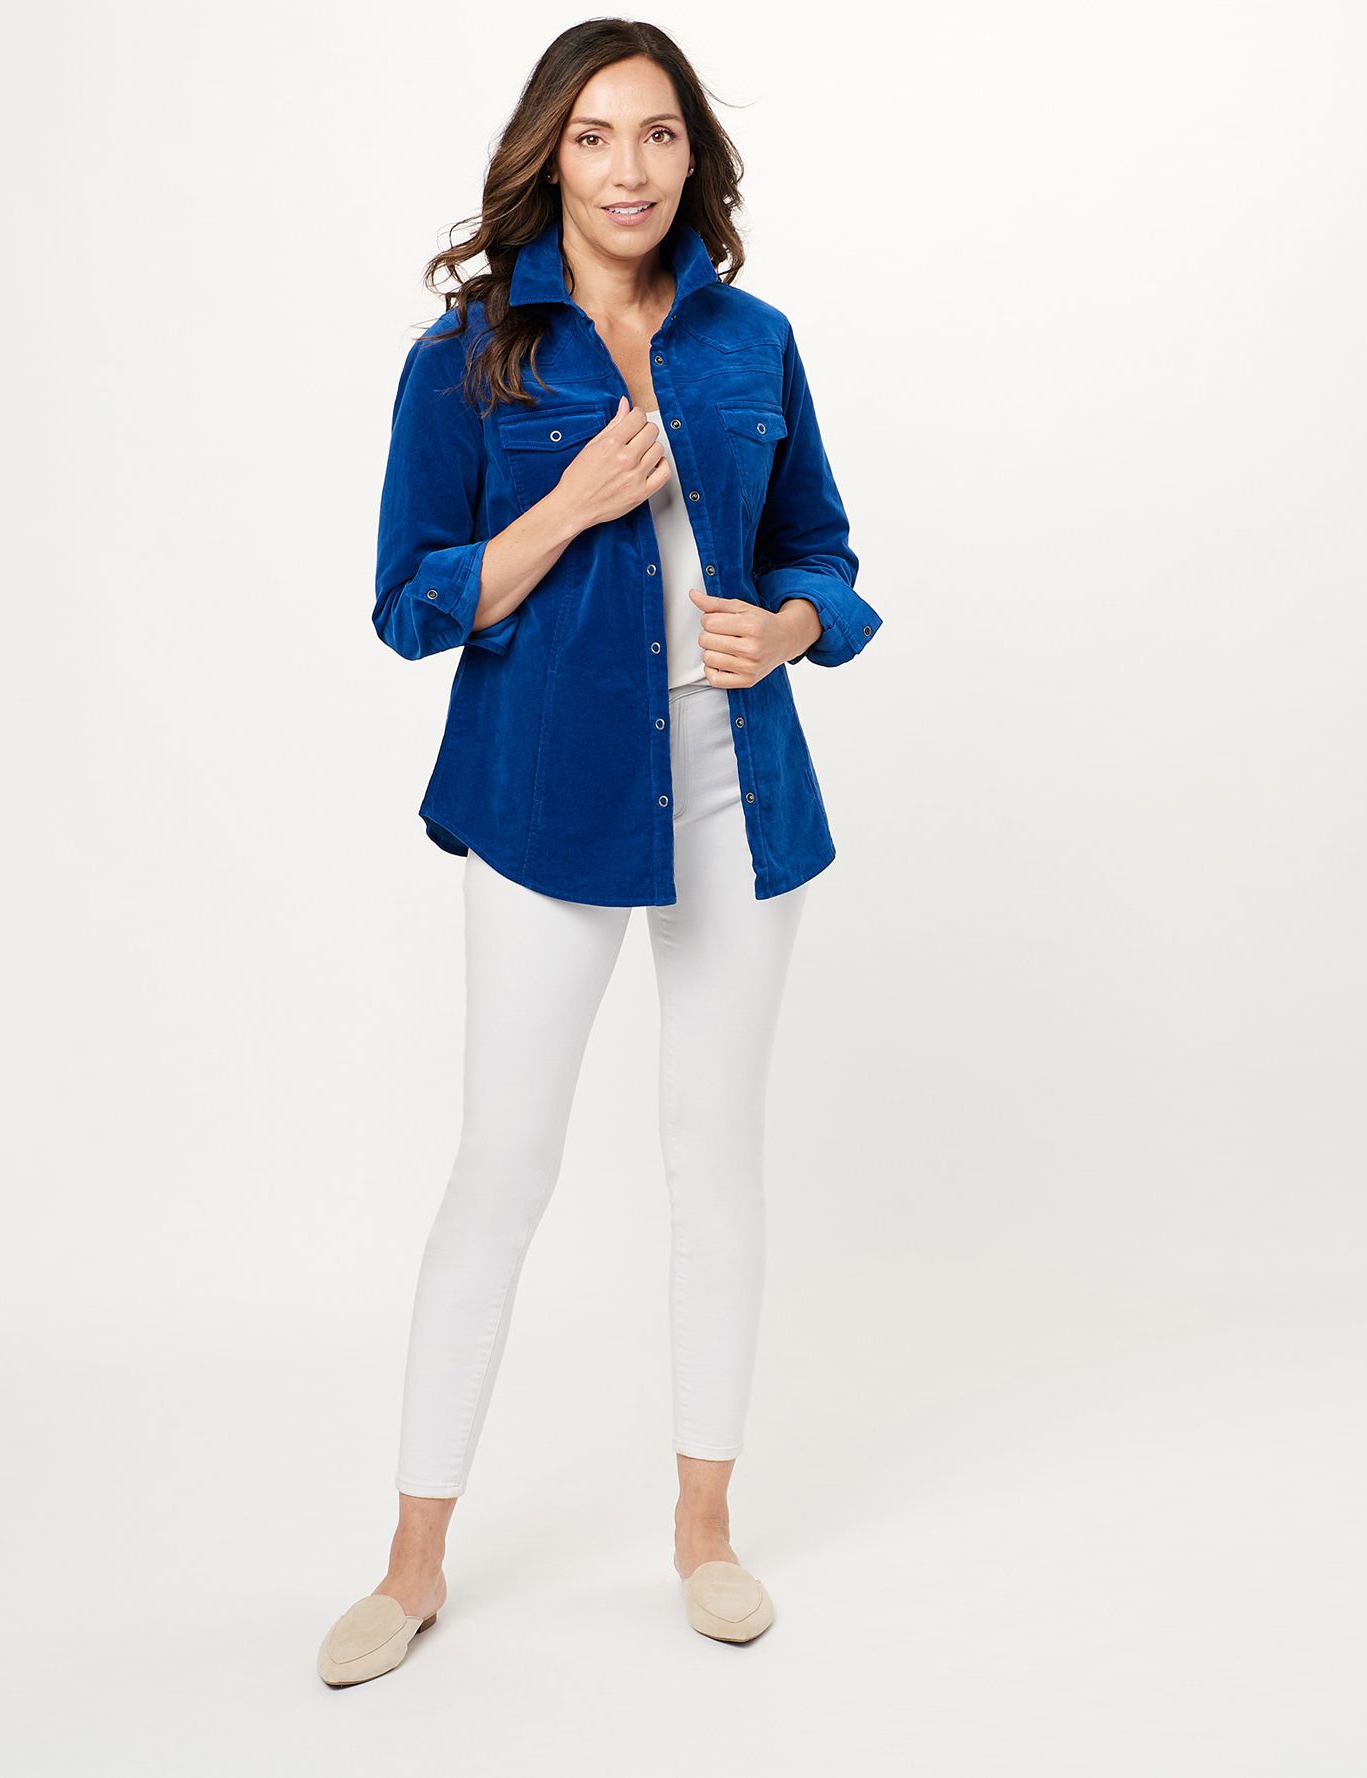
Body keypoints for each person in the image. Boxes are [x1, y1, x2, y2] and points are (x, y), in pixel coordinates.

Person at [319, 20, 883, 1686]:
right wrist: (568, 501)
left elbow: (826, 555)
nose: (627, 169)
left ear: (692, 155)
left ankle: (705, 1530)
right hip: (544, 805)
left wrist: (789, 625)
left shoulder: (753, 342)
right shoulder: (470, 358)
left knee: (716, 1161)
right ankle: (413, 1561)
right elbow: (410, 602)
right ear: (546, 157)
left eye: (656, 135)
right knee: (502, 1168)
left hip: (735, 801)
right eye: (592, 137)